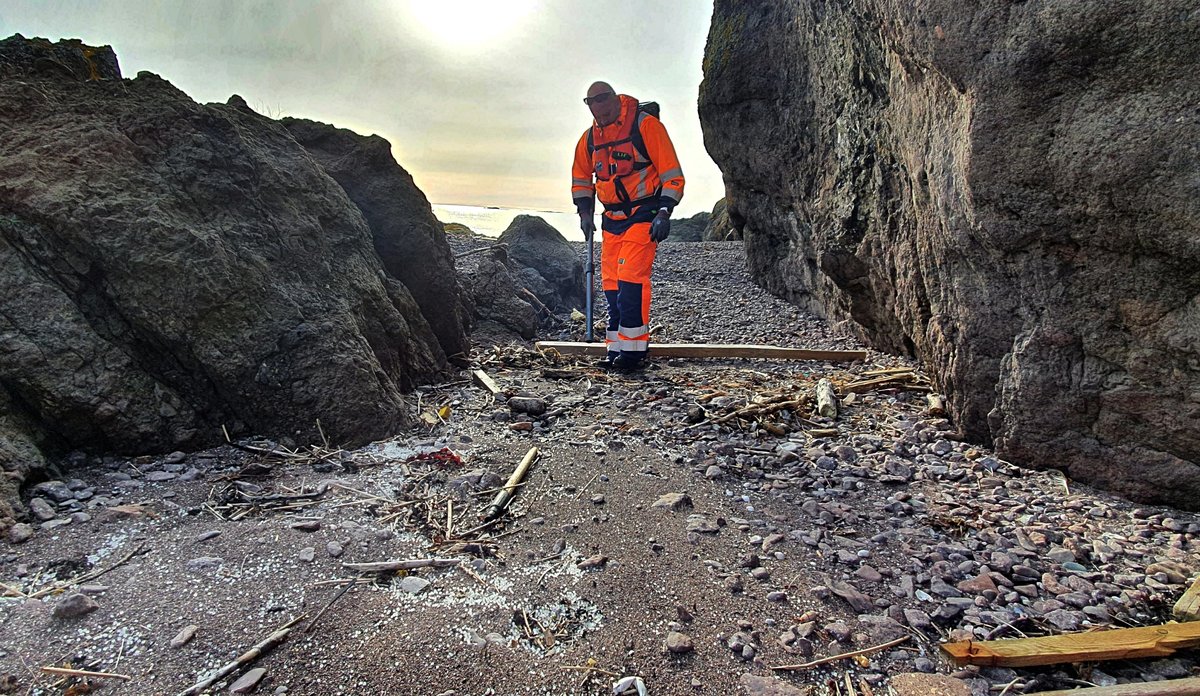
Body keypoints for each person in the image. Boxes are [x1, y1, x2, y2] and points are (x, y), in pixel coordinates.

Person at [571, 81, 685, 371]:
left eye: (603, 102)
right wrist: (585, 212)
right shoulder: (588, 140)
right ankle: (616, 349)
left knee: (631, 278)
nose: (599, 111)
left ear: (614, 99)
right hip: (611, 219)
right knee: (611, 282)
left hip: (643, 213)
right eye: (591, 104)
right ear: (588, 106)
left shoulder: (645, 126)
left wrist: (663, 212)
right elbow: (582, 178)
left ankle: (634, 355)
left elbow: (672, 175)